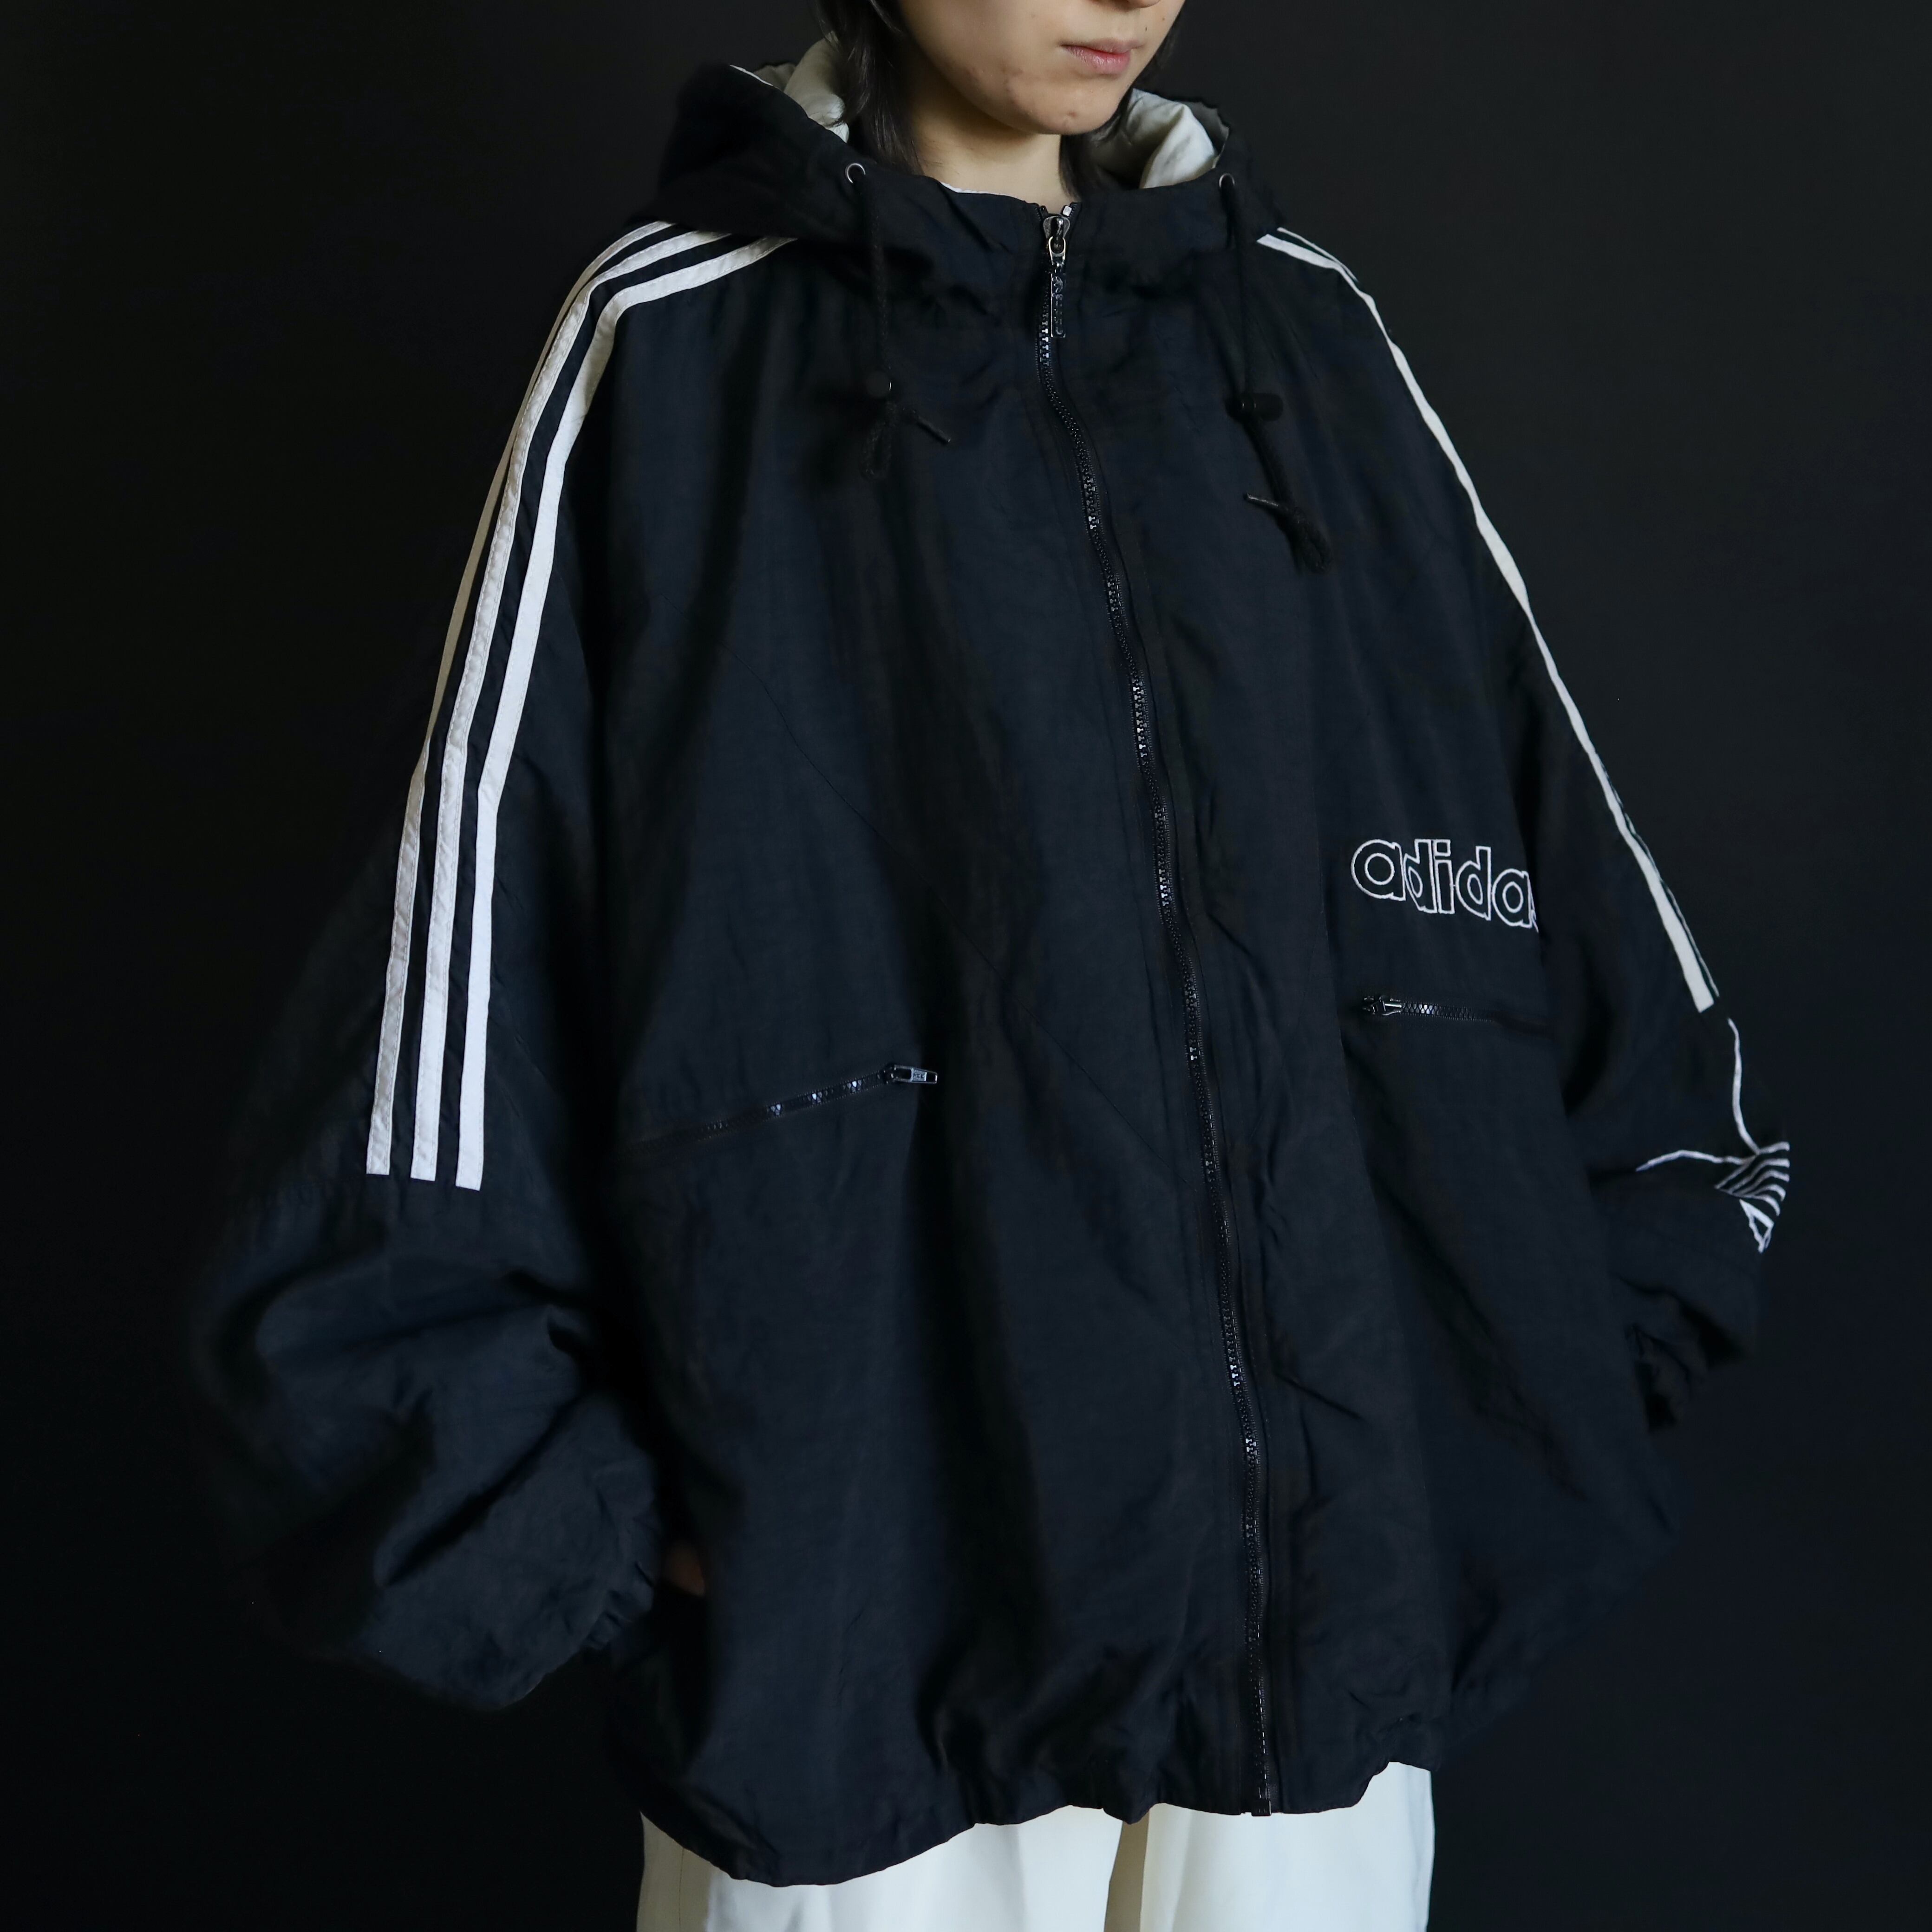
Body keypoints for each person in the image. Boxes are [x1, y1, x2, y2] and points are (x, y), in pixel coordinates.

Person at [192, 2, 1788, 1927]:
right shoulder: (670, 338)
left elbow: (1583, 926)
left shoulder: (1302, 331)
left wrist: (1516, 1387)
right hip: (868, 1694)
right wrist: (612, 1538)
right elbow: (448, 988)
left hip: (1313, 1683)